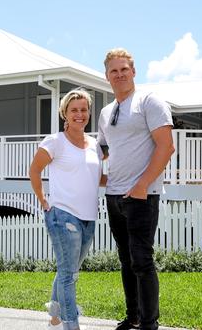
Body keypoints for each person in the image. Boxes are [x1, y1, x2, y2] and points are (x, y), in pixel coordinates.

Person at [98, 49, 175, 330]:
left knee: (142, 260)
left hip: (142, 195)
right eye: (113, 71)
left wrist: (142, 184)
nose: (119, 75)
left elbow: (166, 146)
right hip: (114, 196)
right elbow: (102, 150)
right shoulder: (106, 112)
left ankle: (148, 323)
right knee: (126, 260)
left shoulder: (149, 101)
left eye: (124, 70)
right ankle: (133, 317)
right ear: (107, 76)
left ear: (133, 72)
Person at [29, 88, 106, 330]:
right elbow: (34, 170)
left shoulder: (94, 144)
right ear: (65, 113)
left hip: (88, 217)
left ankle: (54, 316)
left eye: (84, 110)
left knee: (68, 270)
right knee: (69, 275)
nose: (80, 114)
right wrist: (43, 200)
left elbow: (97, 178)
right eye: (74, 110)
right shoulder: (55, 141)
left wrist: (125, 181)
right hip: (63, 215)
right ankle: (70, 324)